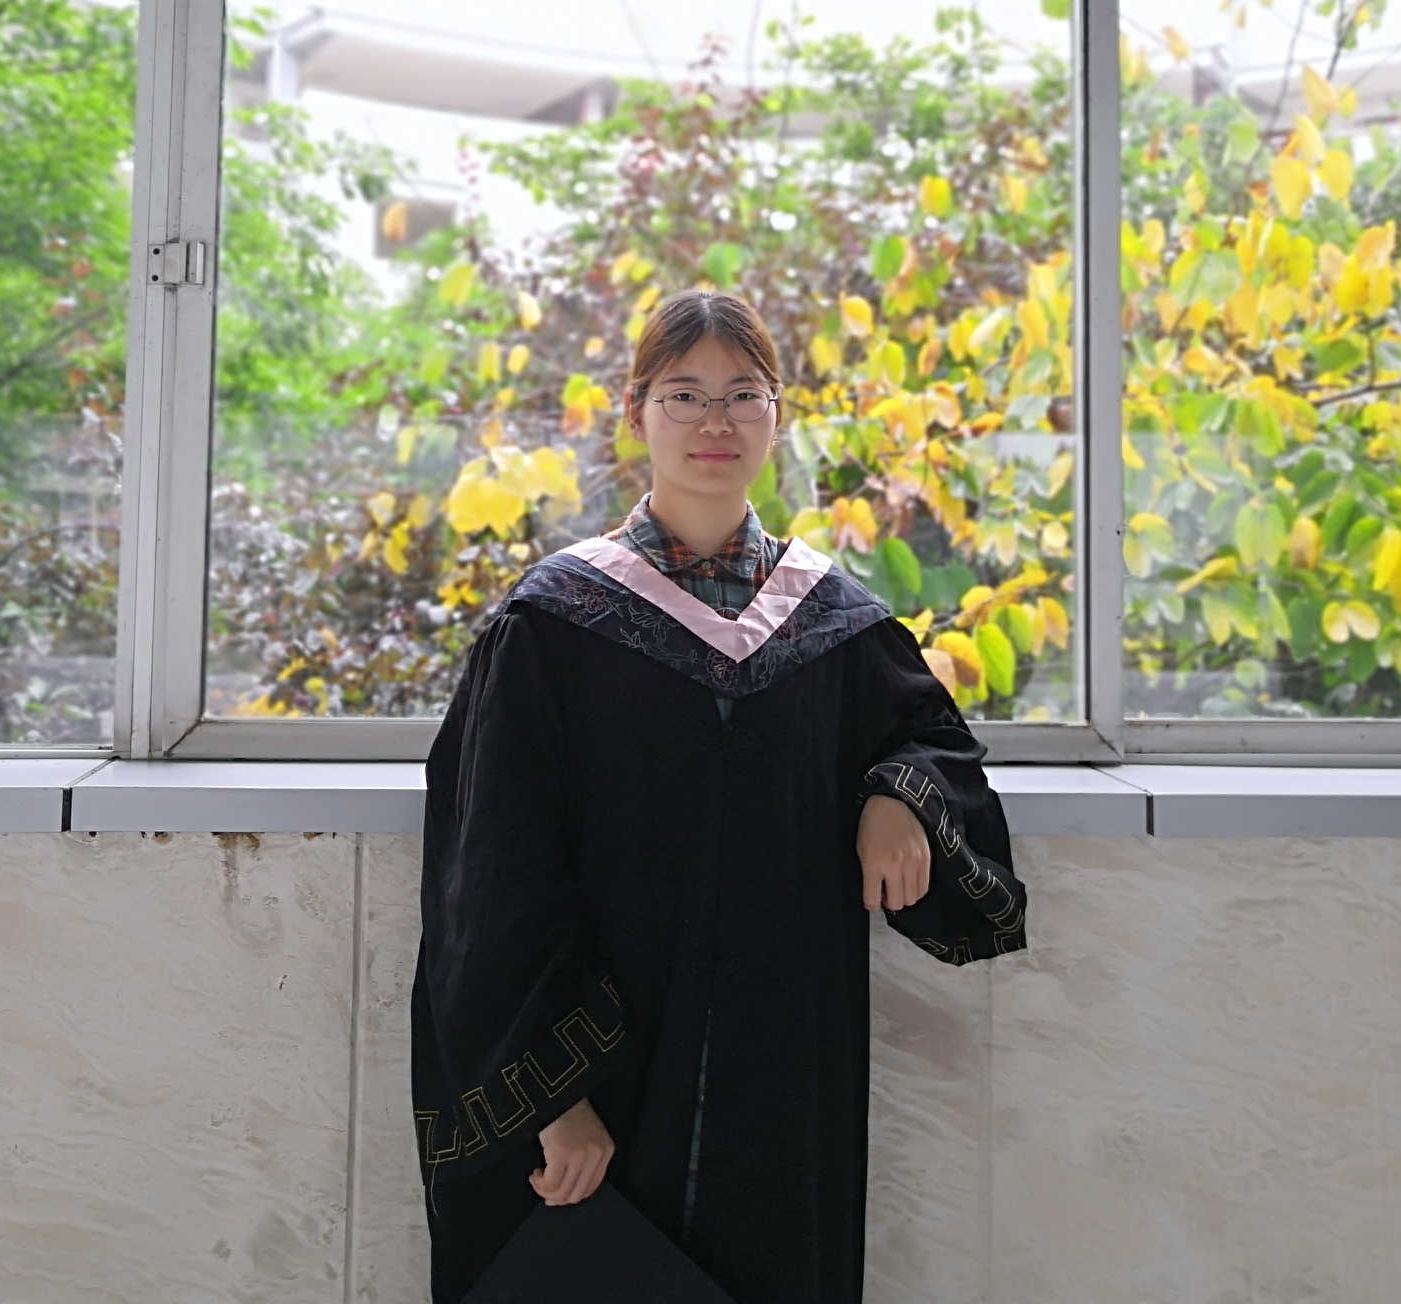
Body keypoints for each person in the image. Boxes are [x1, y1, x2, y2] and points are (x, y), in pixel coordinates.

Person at [412, 288, 1027, 1304]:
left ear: (778, 416)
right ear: (635, 412)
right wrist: (552, 1097)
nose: (716, 421)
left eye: (744, 395)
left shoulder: (831, 623)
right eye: (684, 394)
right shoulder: (554, 625)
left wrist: (899, 794)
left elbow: (933, 740)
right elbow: (490, 874)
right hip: (608, 1071)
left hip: (781, 1075)